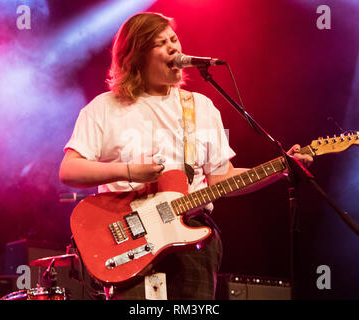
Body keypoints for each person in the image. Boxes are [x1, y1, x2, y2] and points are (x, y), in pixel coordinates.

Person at [59, 12, 313, 300]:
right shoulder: (104, 108)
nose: (173, 47)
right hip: (130, 241)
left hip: (192, 237)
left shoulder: (202, 108)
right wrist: (129, 171)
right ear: (136, 56)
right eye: (160, 43)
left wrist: (280, 169)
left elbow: (223, 178)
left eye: (173, 39)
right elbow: (70, 169)